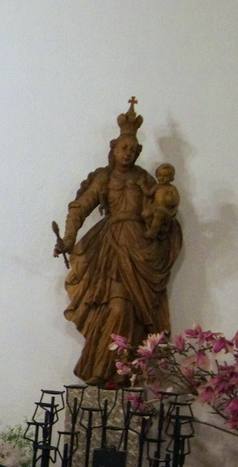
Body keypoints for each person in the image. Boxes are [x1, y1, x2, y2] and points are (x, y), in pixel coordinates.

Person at [55, 98, 183, 386]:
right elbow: (79, 208)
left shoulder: (143, 179)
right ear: (113, 149)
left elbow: (159, 208)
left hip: (140, 251)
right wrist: (68, 239)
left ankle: (120, 374)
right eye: (124, 148)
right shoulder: (103, 178)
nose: (128, 154)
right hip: (111, 249)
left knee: (132, 314)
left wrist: (164, 212)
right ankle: (99, 369)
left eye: (133, 150)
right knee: (116, 308)